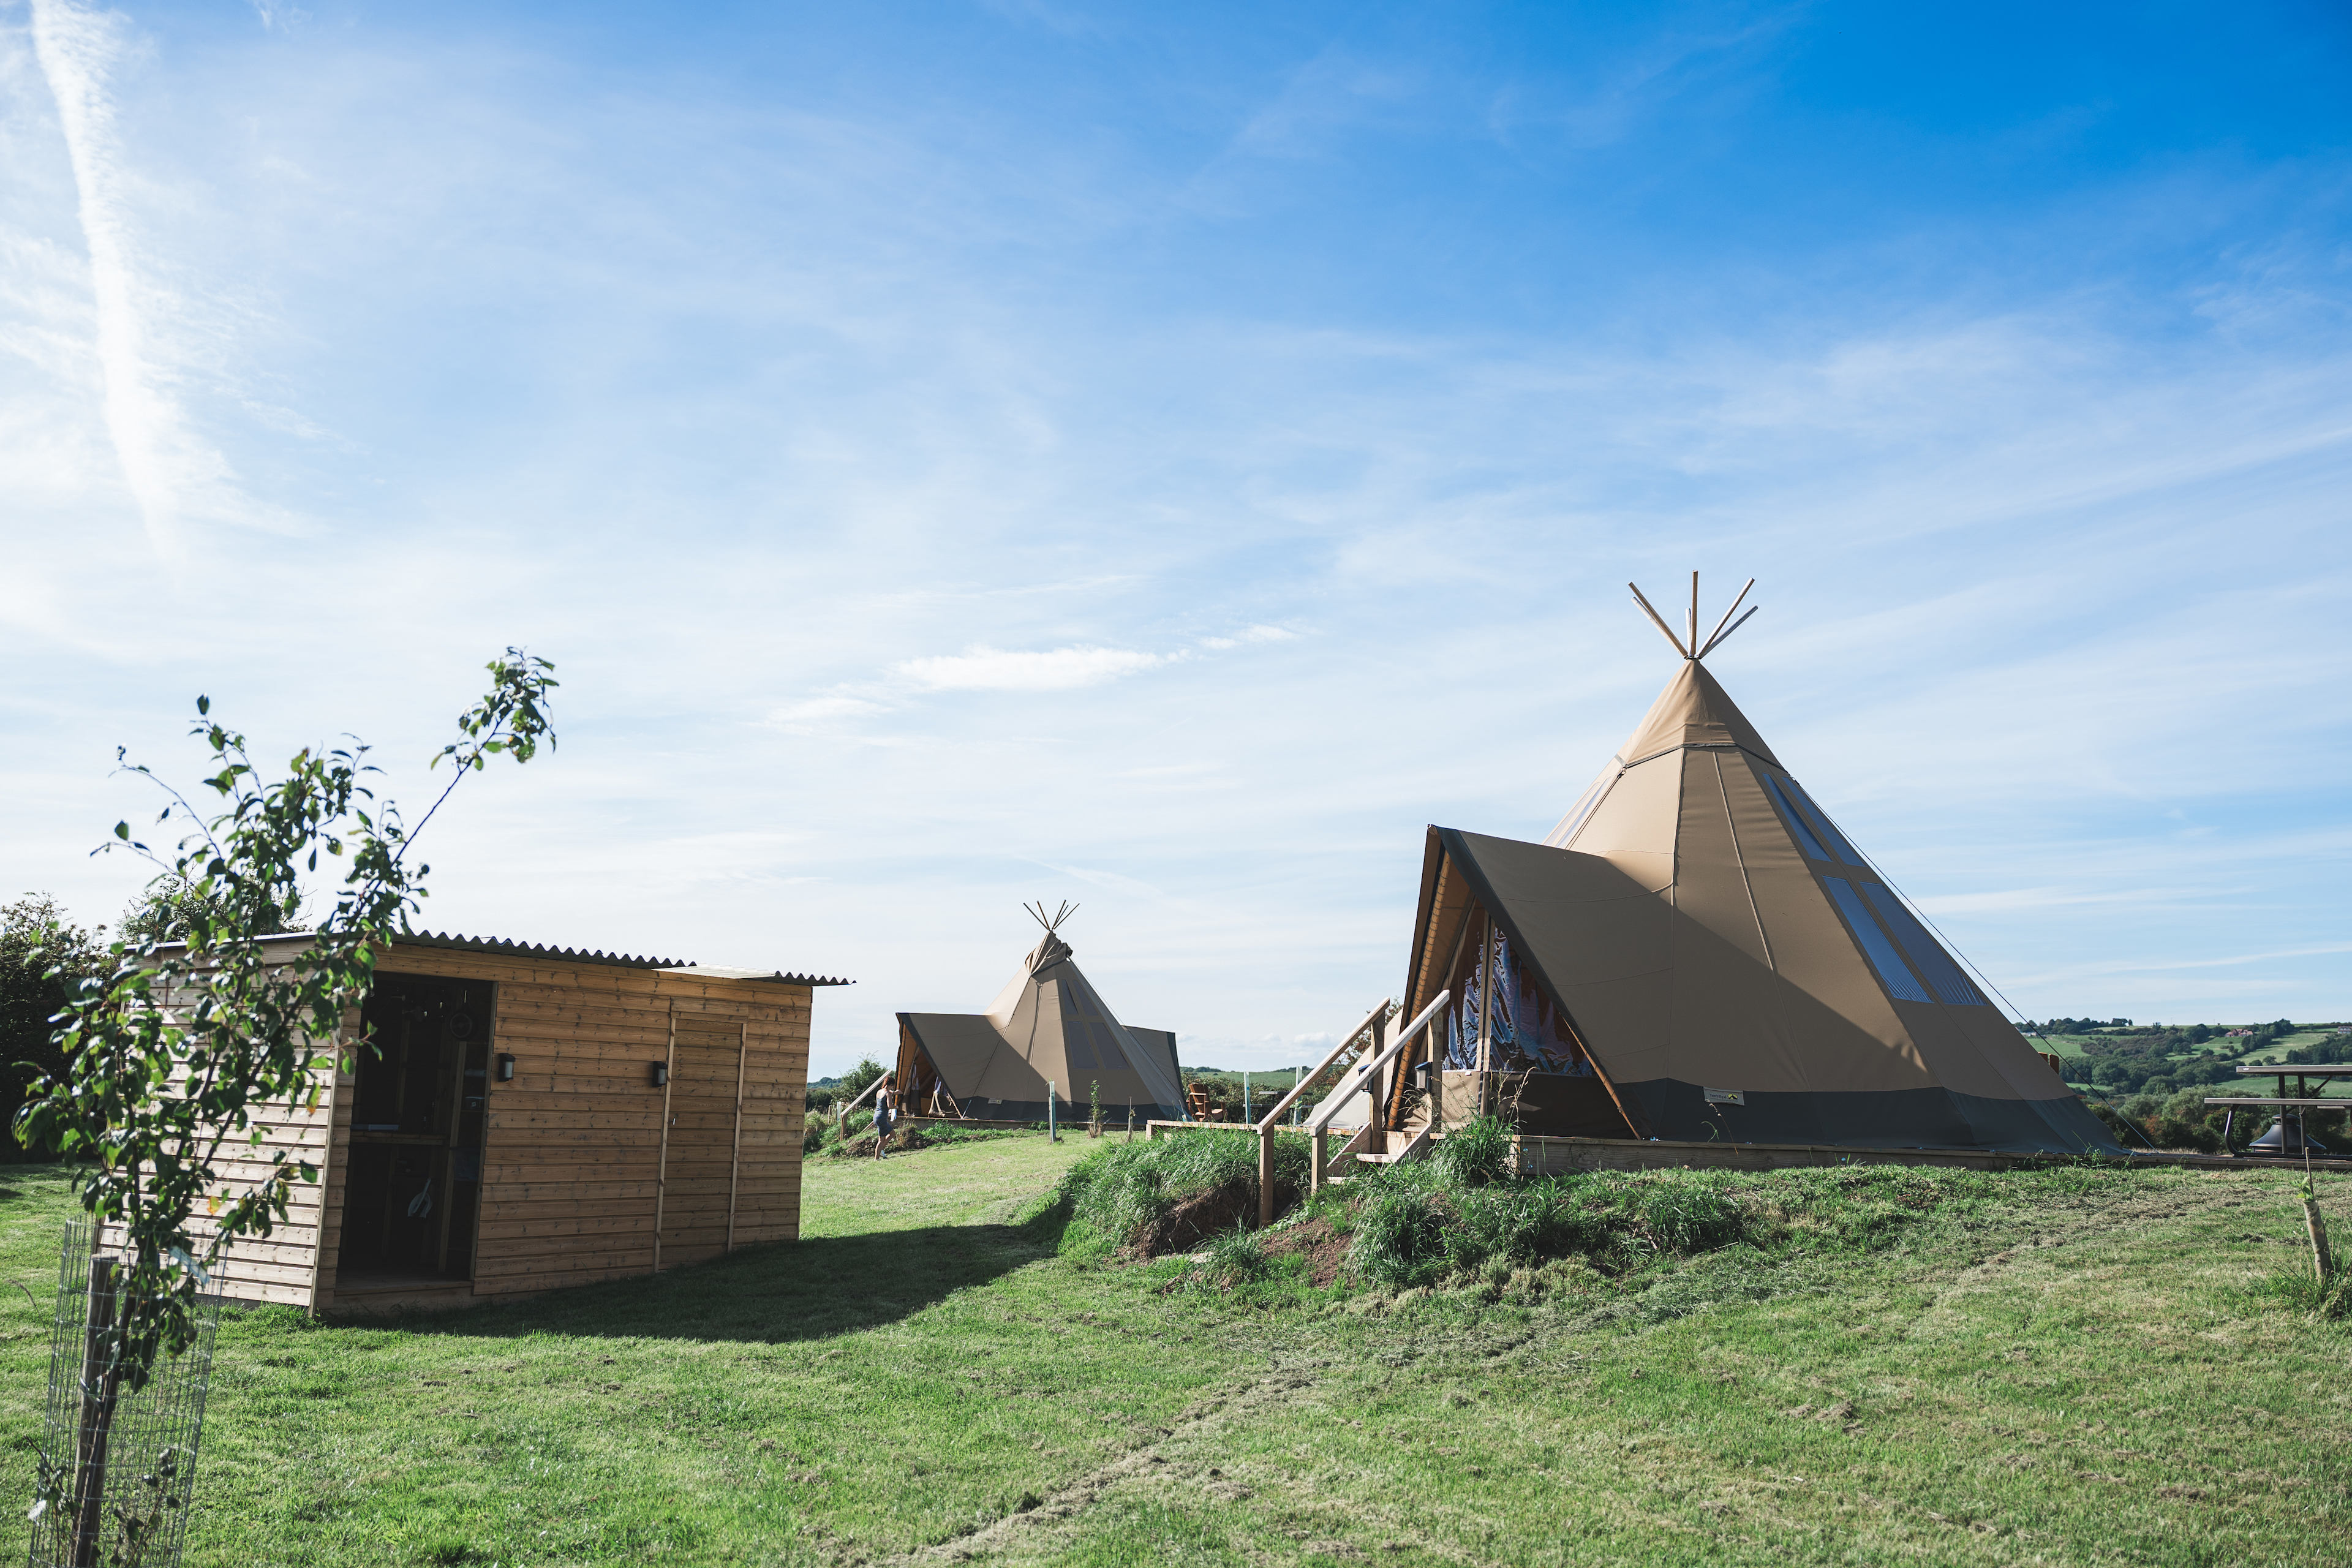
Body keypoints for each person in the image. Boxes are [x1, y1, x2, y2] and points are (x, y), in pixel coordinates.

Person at [872, 1072, 896, 1158]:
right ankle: (877, 1158)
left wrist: (894, 1093)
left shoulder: (879, 1092)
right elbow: (890, 1106)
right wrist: (896, 1107)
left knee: (892, 1133)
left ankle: (882, 1150)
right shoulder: (888, 1094)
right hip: (882, 1118)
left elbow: (886, 1093)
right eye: (892, 1086)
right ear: (891, 1085)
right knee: (881, 1140)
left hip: (876, 1116)